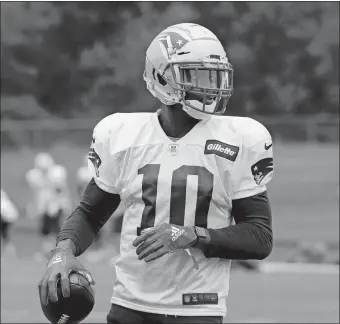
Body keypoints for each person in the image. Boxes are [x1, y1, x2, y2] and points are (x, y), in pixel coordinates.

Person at [38, 23, 274, 324]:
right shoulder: (123, 135)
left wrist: (191, 235)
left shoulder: (241, 138)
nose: (211, 85)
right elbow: (90, 213)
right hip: (129, 306)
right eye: (196, 75)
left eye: (215, 75)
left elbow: (259, 236)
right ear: (161, 77)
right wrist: (62, 251)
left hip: (198, 307)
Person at [26, 153, 71, 260]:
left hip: (55, 206)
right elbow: (34, 194)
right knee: (45, 230)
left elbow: (61, 191)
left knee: (54, 230)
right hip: (44, 207)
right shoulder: (34, 176)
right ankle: (49, 251)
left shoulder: (57, 174)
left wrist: (63, 206)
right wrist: (33, 207)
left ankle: (55, 252)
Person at [1, 189, 19, 258]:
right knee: (5, 235)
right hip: (9, 218)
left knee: (5, 234)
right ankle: (8, 250)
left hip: (8, 219)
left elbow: (3, 214)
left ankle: (9, 250)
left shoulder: (3, 202)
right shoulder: (5, 200)